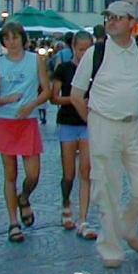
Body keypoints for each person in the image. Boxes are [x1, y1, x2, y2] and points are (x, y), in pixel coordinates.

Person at [70, 1, 138, 268]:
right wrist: (94, 122)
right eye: (108, 17)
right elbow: (76, 95)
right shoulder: (95, 53)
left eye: (118, 17)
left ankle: (128, 226)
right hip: (104, 123)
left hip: (134, 124)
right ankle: (110, 248)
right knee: (106, 188)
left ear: (132, 22)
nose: (111, 21)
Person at [0, 21, 51, 243]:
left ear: (22, 39)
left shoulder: (35, 60)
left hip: (28, 120)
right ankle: (13, 222)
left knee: (33, 174)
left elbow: (46, 90)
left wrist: (30, 105)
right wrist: (7, 99)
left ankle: (24, 197)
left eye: (15, 37)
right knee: (10, 175)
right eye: (7, 38)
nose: (11, 42)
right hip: (6, 121)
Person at [51, 30, 97, 240]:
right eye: (80, 49)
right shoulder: (64, 69)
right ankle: (66, 202)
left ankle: (83, 218)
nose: (84, 53)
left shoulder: (95, 71)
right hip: (68, 122)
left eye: (88, 50)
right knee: (68, 173)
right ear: (73, 48)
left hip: (87, 123)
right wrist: (74, 99)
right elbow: (54, 97)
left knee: (85, 171)